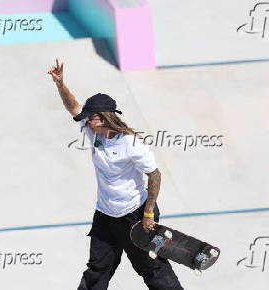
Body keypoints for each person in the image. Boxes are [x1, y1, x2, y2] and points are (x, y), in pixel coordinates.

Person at [48, 59, 184, 290]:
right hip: (105, 213)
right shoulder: (94, 133)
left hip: (135, 215)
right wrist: (61, 84)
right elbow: (73, 107)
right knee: (97, 268)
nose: (86, 121)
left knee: (151, 269)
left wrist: (149, 213)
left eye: (91, 117)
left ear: (104, 117)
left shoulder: (130, 143)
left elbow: (155, 175)